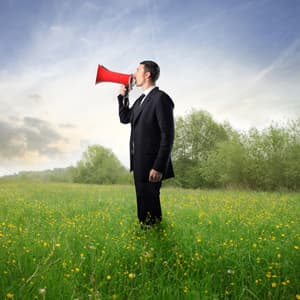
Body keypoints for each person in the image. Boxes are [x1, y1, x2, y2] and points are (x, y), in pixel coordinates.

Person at [118, 60, 175, 227]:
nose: (134, 74)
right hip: (139, 161)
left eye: (138, 70)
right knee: (142, 200)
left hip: (152, 163)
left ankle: (155, 233)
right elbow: (125, 118)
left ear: (147, 74)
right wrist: (123, 97)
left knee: (151, 201)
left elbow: (168, 135)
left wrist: (158, 166)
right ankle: (146, 232)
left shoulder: (160, 98)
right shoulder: (140, 101)